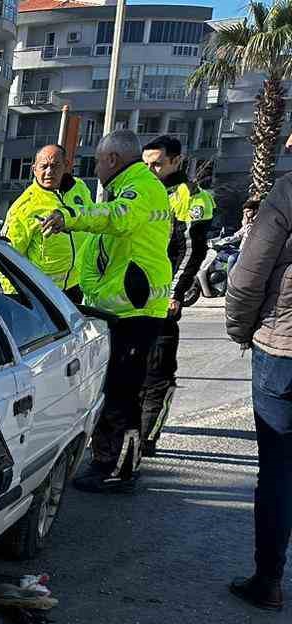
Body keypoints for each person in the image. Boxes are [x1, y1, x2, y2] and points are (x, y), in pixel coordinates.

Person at [39, 130, 173, 494]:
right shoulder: (130, 186)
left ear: (112, 159)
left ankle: (118, 469)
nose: (95, 167)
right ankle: (109, 461)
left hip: (135, 311)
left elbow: (117, 218)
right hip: (120, 309)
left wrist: (69, 216)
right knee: (115, 390)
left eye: (97, 160)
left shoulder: (139, 188)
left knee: (122, 393)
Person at [224, 171, 292, 611]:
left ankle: (268, 580)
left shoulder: (289, 189)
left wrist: (241, 327)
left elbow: (249, 273)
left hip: (283, 349)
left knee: (279, 470)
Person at [139, 134, 206, 453]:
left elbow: (192, 250)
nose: (151, 170)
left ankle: (147, 437)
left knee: (157, 374)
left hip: (163, 300)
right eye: (145, 164)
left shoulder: (190, 196)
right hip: (132, 299)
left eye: (157, 164)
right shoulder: (140, 189)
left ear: (176, 161)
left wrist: (175, 293)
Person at [3, 143, 90, 294]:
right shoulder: (24, 207)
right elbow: (7, 257)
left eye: (55, 166)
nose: (49, 171)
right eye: (44, 166)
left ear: (66, 165)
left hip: (79, 285)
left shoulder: (80, 188)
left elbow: (91, 221)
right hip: (44, 293)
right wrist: (16, 299)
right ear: (34, 169)